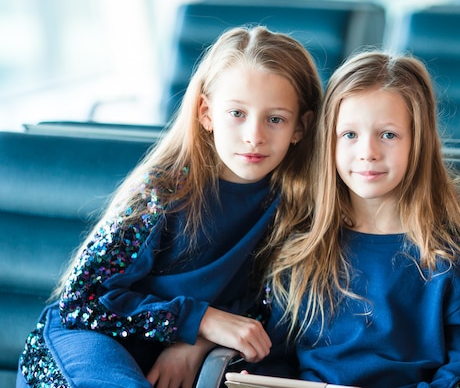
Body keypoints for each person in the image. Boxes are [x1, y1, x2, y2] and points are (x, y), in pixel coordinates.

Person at [17, 25, 322, 388]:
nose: (254, 135)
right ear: (207, 113)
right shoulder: (164, 189)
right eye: (237, 113)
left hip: (187, 345)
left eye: (275, 119)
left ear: (300, 127)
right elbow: (82, 302)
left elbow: (267, 308)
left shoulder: (296, 206)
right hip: (89, 338)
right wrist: (199, 320)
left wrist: (197, 339)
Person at [257, 51, 460, 388]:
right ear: (329, 142)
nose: (367, 151)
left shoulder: (447, 258)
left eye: (388, 134)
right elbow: (273, 358)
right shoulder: (302, 251)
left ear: (418, 142)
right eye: (350, 135)